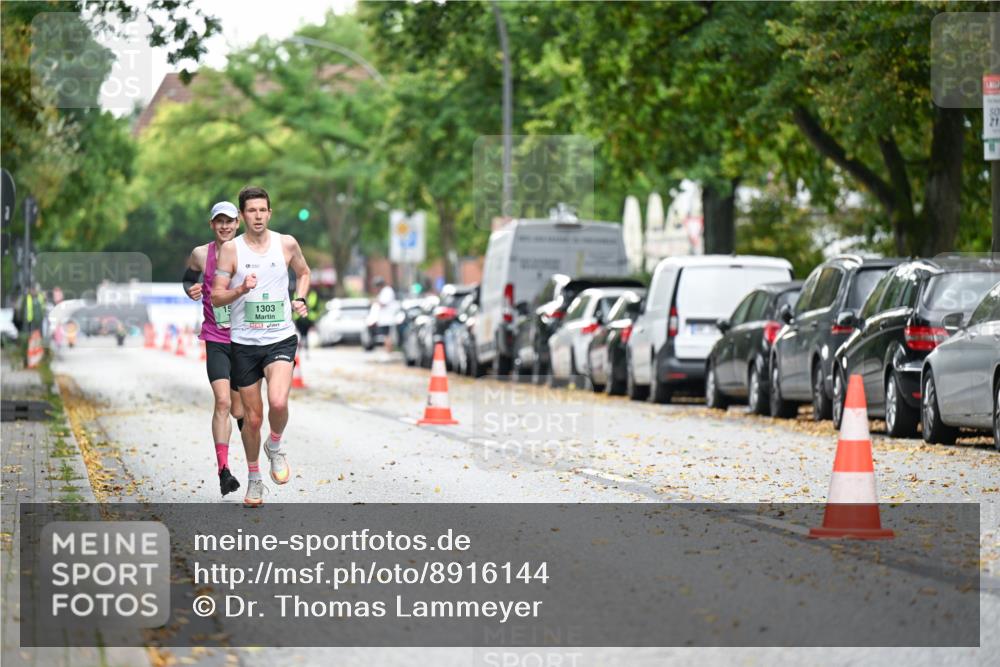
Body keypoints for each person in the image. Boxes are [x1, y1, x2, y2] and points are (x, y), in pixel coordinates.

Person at [211, 186, 311, 508]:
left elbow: (304, 273)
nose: (257, 216)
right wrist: (240, 288)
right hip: (243, 343)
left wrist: (300, 298)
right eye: (251, 211)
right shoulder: (231, 250)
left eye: (262, 210)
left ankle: (276, 445)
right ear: (242, 215)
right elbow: (216, 296)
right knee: (253, 419)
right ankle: (254, 478)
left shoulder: (286, 244)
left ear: (270, 213)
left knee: (278, 402)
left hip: (280, 337)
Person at [182, 201, 246, 498]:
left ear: (238, 223)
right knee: (222, 403)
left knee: (240, 409)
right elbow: (188, 278)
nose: (224, 226)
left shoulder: (250, 252)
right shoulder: (200, 254)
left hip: (247, 340)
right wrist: (191, 289)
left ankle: (256, 460)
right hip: (216, 338)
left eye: (229, 221)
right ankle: (223, 471)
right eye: (219, 221)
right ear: (212, 225)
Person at [292, 288, 320, 357]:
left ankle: (304, 351)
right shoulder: (297, 293)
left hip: (308, 318)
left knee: (305, 335)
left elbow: (315, 306)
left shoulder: (313, 294)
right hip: (299, 318)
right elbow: (295, 305)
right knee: (302, 335)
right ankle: (302, 351)